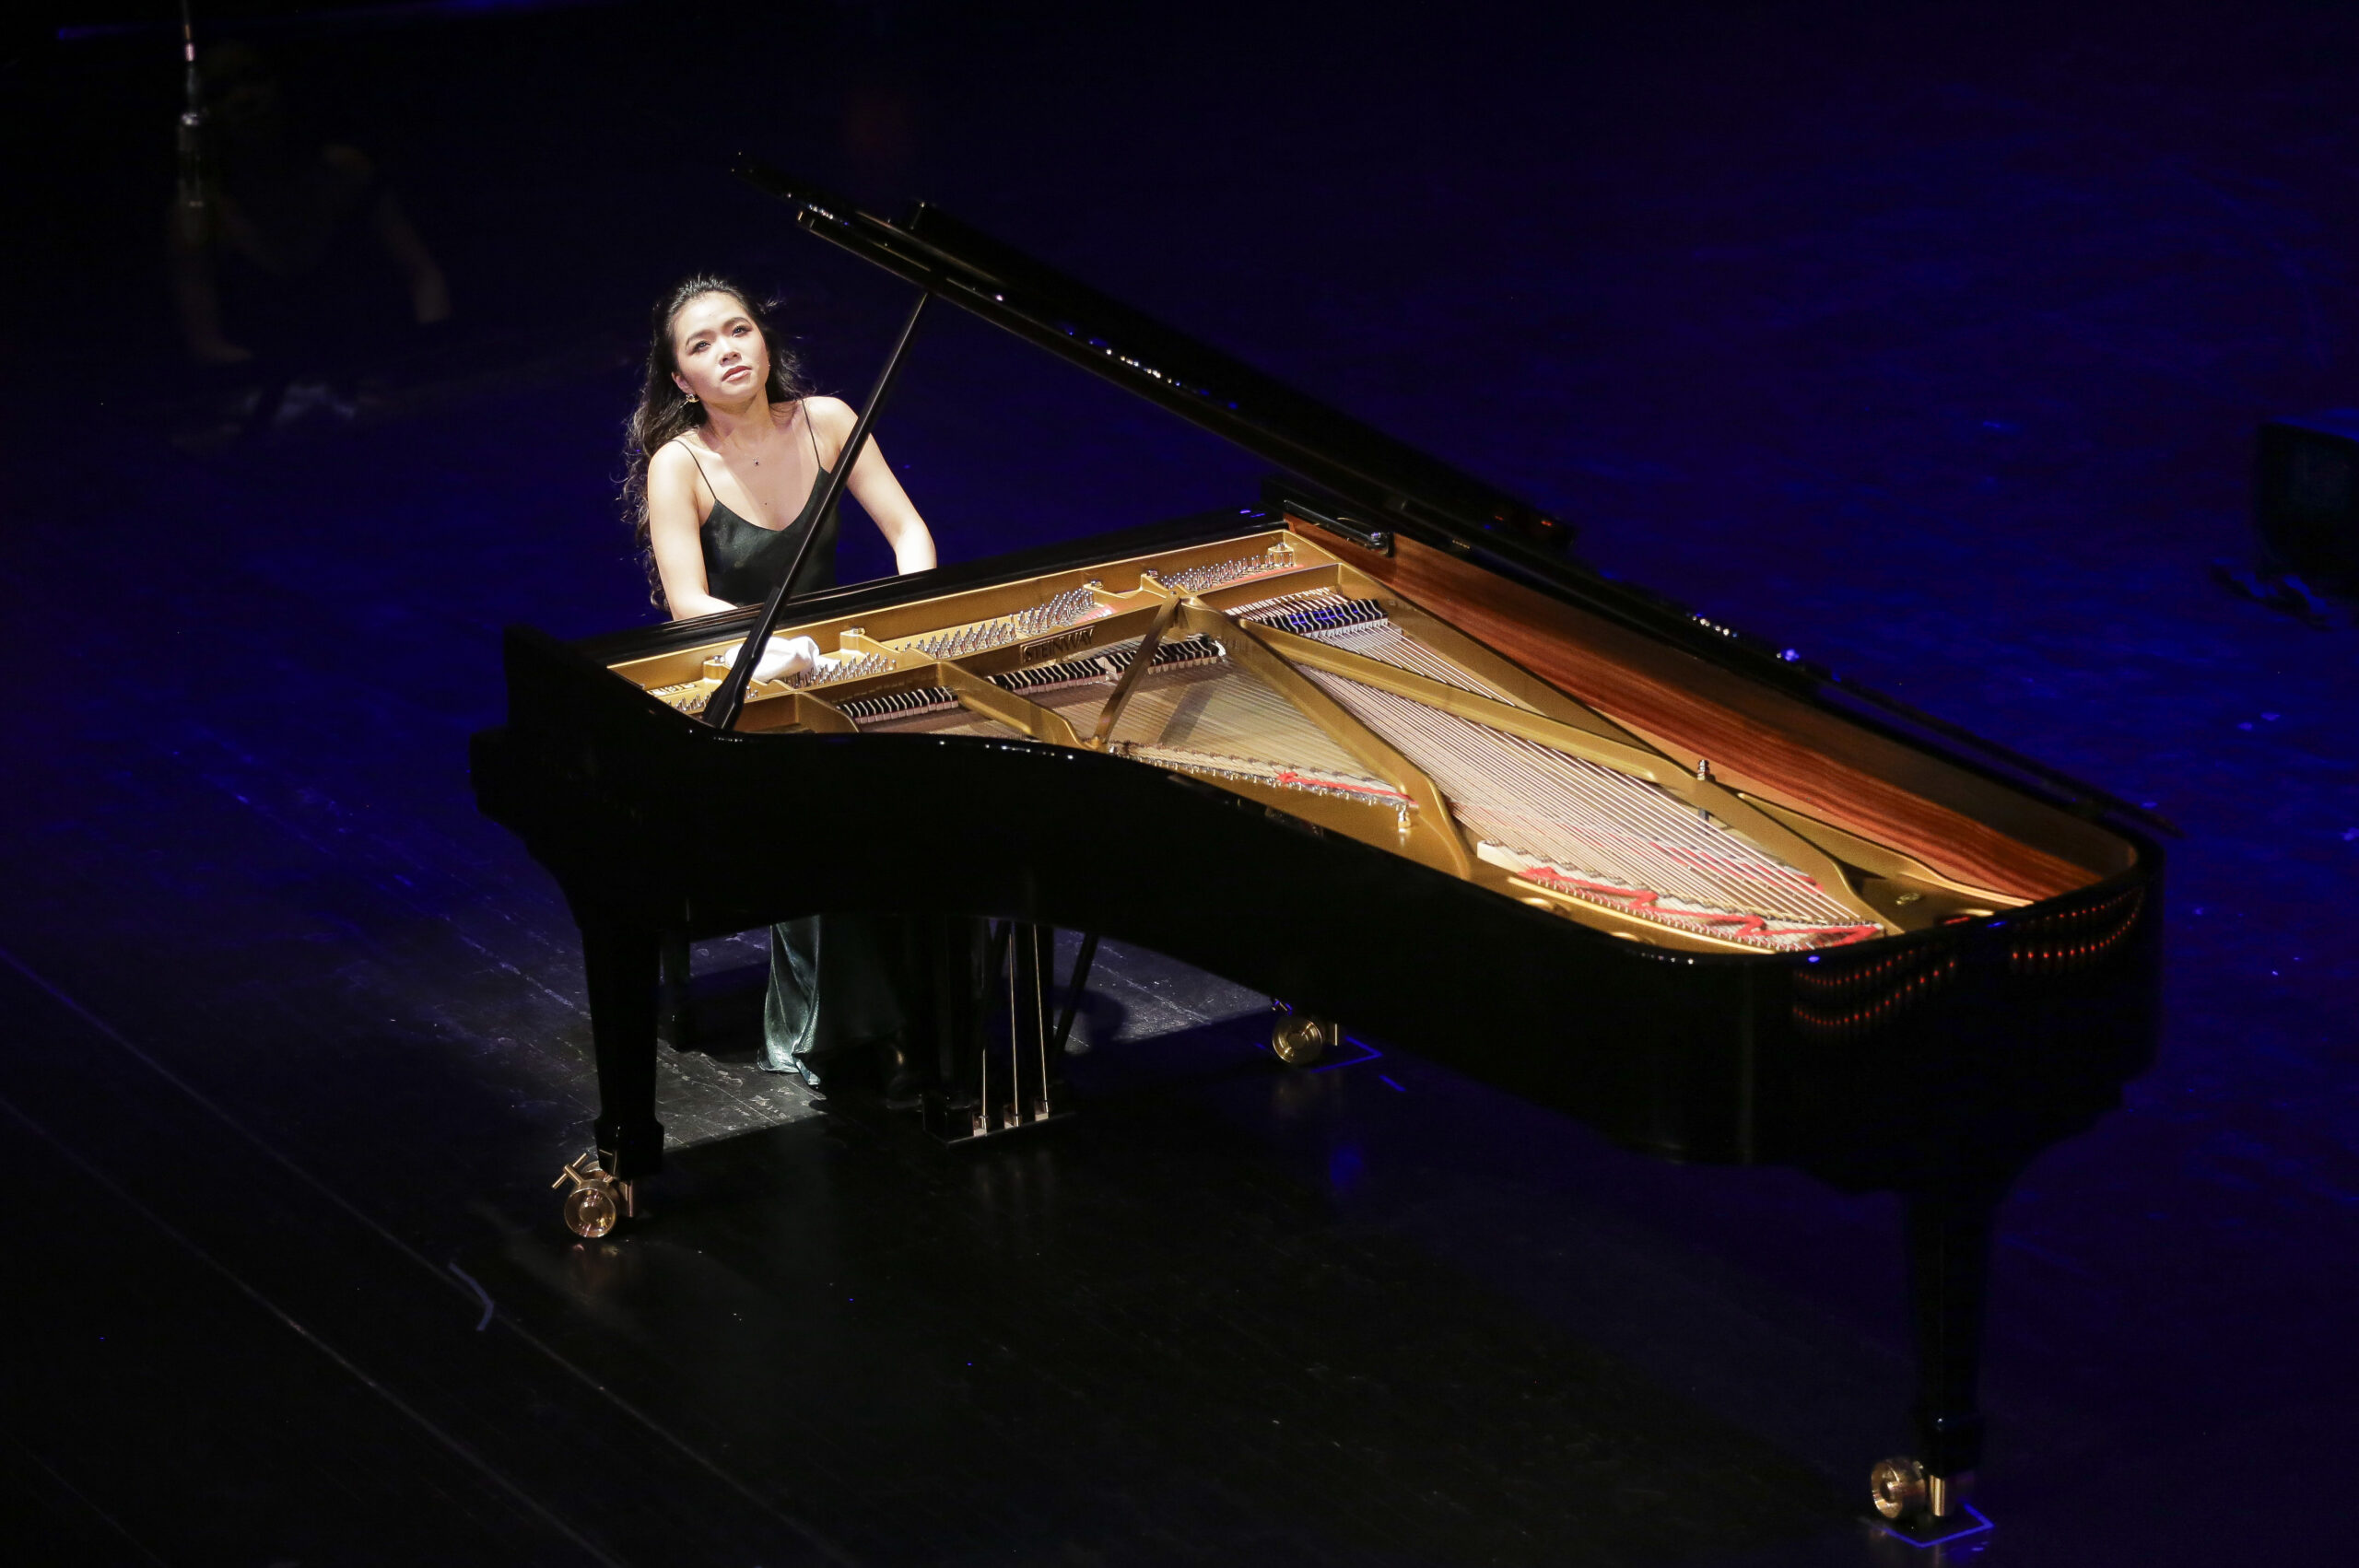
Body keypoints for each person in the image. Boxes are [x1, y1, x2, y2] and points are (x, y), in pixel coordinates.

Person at [620, 275, 939, 1093]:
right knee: (818, 812)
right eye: (701, 346)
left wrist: (907, 627)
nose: (727, 350)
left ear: (764, 342)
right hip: (740, 676)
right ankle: (844, 1030)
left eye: (738, 331)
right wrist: (771, 653)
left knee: (935, 793)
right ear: (681, 381)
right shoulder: (676, 464)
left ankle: (933, 1008)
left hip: (839, 665)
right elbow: (688, 601)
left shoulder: (828, 421)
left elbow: (909, 535)